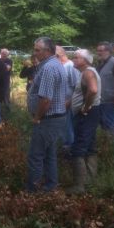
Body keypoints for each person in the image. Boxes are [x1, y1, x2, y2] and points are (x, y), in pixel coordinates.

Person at [27, 37, 67, 192]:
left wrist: (37, 118)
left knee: (35, 156)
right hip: (53, 118)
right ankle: (50, 187)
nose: (34, 53)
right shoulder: (53, 64)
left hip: (47, 119)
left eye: (37, 50)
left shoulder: (49, 68)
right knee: (49, 155)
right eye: (35, 49)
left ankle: (32, 194)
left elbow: (45, 99)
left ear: (48, 51)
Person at [66, 49, 101, 194]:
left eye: (76, 57)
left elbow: (92, 90)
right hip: (90, 113)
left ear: (85, 60)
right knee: (90, 145)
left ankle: (79, 186)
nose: (73, 59)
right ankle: (92, 180)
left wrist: (86, 107)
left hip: (87, 114)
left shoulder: (88, 72)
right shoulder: (86, 72)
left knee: (78, 147)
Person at [55, 46, 80, 148]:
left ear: (58, 55)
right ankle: (65, 144)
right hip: (59, 103)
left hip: (68, 103)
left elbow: (77, 87)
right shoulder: (59, 65)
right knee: (62, 125)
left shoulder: (71, 66)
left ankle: (69, 147)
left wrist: (69, 101)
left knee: (68, 126)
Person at [96, 41, 114, 137]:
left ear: (108, 51)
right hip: (100, 101)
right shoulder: (100, 64)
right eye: (98, 50)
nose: (98, 53)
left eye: (101, 50)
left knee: (110, 126)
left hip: (110, 102)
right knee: (103, 126)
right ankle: (105, 148)